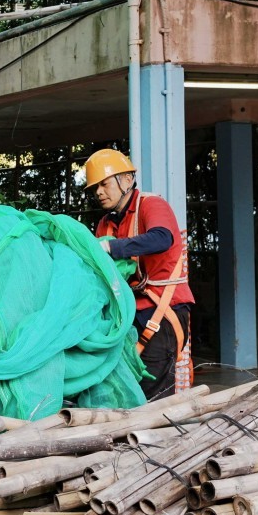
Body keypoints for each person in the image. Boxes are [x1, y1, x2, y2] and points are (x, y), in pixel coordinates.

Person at [84, 148, 195, 400]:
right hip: (128, 311)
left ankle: (156, 438)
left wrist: (112, 247)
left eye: (103, 184)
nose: (99, 192)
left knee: (154, 387)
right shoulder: (106, 223)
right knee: (127, 384)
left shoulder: (151, 204)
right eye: (94, 188)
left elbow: (162, 237)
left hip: (162, 309)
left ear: (126, 179)